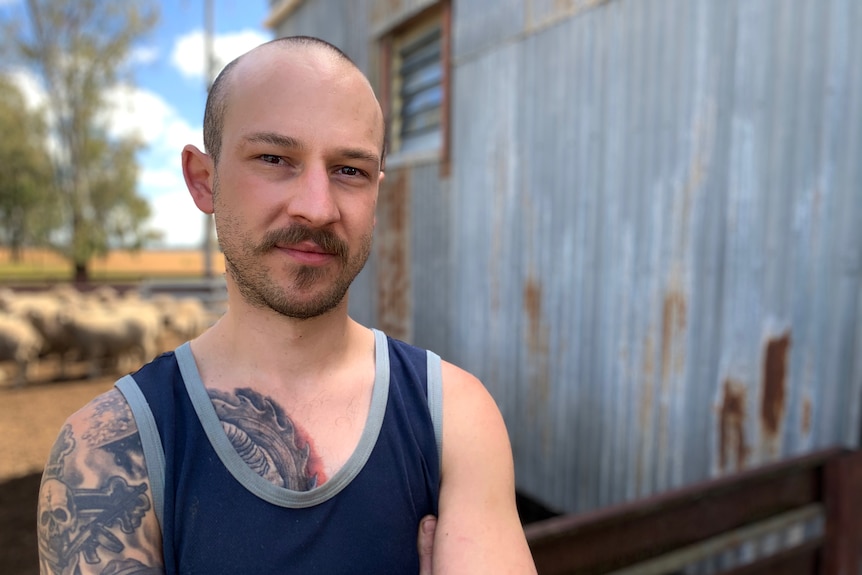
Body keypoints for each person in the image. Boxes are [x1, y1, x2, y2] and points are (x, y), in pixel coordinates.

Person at [37, 35, 537, 574]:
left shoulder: (456, 419)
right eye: (274, 158)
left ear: (376, 193)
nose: (317, 208)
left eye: (350, 170)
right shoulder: (109, 453)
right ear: (204, 181)